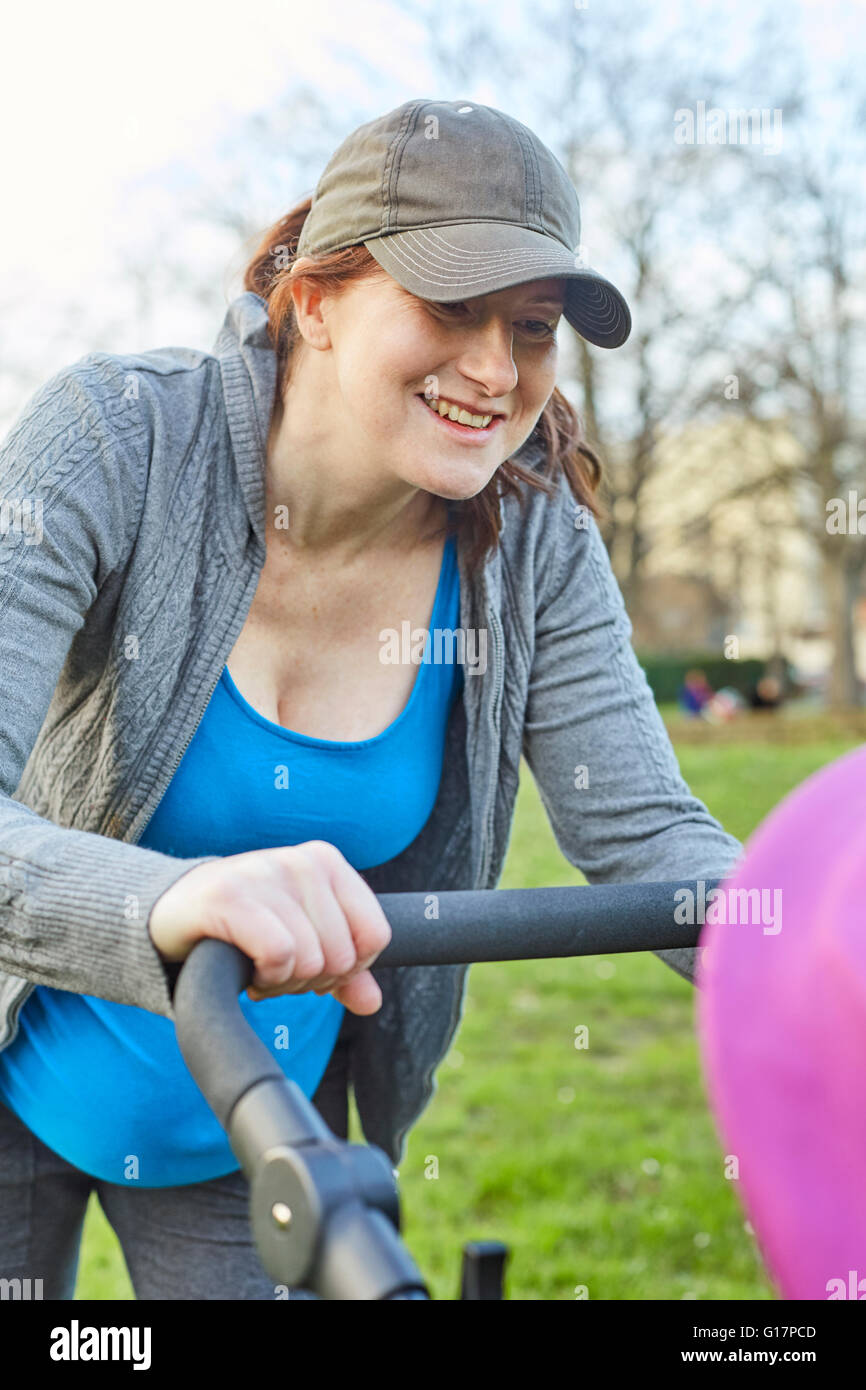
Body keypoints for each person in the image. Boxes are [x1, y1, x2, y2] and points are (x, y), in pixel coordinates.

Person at [0, 98, 743, 1301]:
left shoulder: (533, 539)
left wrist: (812, 947)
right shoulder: (114, 441)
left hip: (240, 1126)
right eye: (450, 307)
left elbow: (649, 842)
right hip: (13, 1048)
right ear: (316, 300)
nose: (496, 371)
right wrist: (182, 895)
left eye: (533, 325)